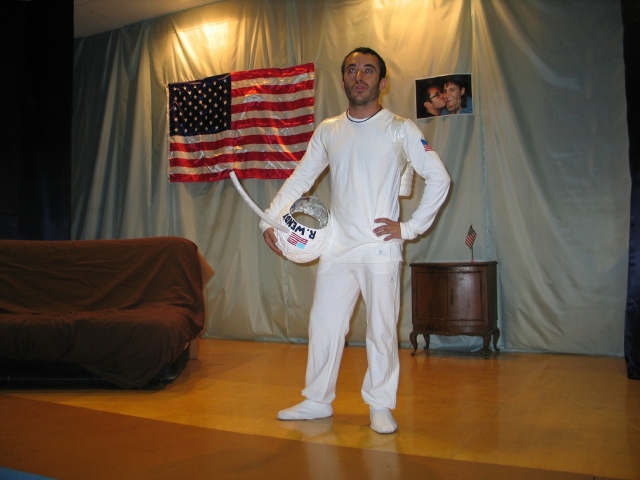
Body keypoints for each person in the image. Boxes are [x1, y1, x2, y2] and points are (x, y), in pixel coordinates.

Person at [260, 47, 451, 434]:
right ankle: (317, 400)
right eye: (351, 70)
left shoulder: (400, 128)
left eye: (368, 70)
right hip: (336, 247)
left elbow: (439, 177)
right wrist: (270, 219)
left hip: (380, 249)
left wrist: (409, 228)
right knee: (324, 325)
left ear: (382, 82)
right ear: (343, 79)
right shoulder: (329, 130)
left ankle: (380, 405)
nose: (359, 76)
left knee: (381, 330)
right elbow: (301, 178)